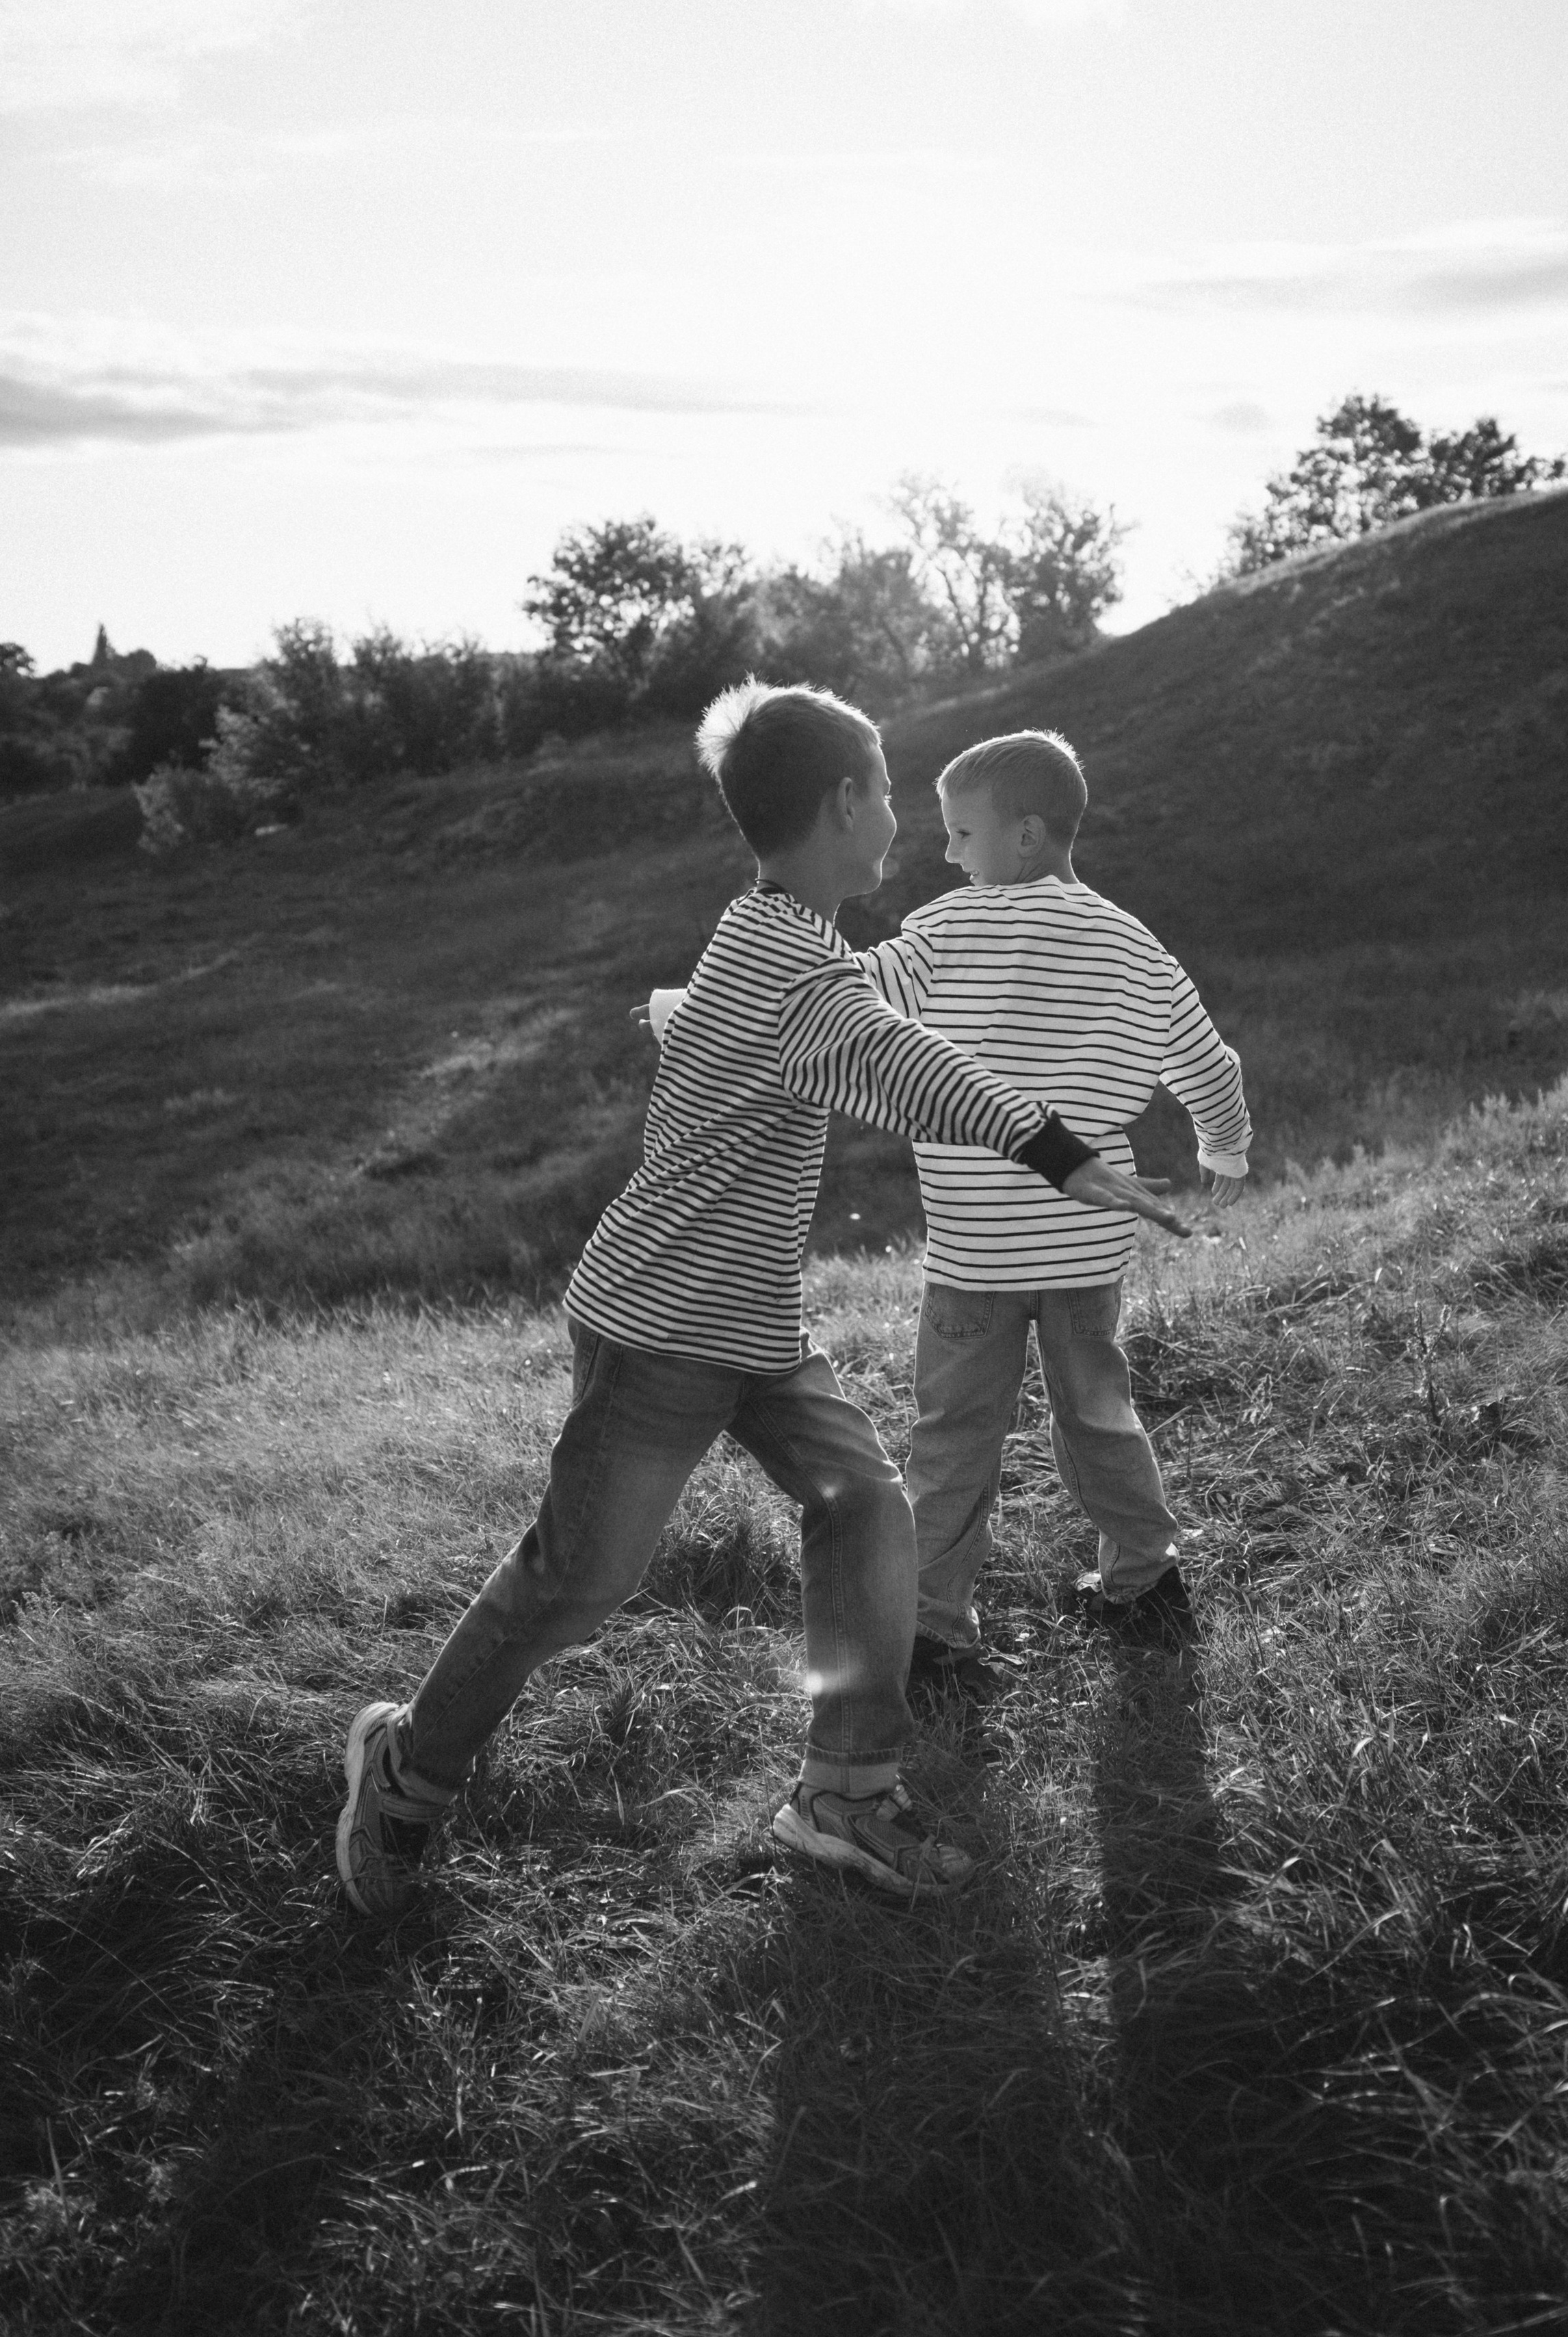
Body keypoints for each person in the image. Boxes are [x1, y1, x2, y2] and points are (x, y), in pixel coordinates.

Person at [337, 684, 1190, 1918]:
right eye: (890, 791)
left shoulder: (770, 935)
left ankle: (842, 1790)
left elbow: (826, 1029)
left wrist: (682, 1013)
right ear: (844, 804)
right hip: (664, 1325)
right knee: (579, 1579)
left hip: (753, 1327)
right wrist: (1073, 1159)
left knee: (866, 1507)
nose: (901, 815)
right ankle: (406, 1769)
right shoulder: (798, 971)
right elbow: (916, 1070)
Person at [860, 729, 1250, 1701]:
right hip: (1086, 1245)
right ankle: (1147, 1579)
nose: (947, 855)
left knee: (953, 1432)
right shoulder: (1133, 943)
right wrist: (1225, 1149)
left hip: (974, 1248)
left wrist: (686, 1008)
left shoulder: (947, 928)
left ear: (1026, 835)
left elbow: (843, 1002)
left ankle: (932, 1630)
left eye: (959, 833)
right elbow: (1209, 1064)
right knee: (1098, 1411)